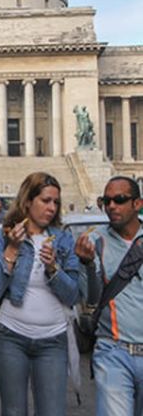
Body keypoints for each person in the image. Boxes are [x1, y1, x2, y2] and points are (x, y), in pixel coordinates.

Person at [0, 172, 80, 416]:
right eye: (45, 200)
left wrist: (53, 269)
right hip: (10, 336)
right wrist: (12, 249)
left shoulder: (64, 239)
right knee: (14, 411)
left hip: (53, 339)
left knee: (53, 411)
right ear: (28, 201)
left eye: (55, 202)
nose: (52, 208)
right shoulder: (4, 236)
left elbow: (73, 295)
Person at [75, 175, 143, 416]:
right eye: (107, 201)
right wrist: (86, 264)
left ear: (137, 204)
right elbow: (91, 298)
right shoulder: (95, 241)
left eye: (120, 200)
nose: (111, 206)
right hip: (113, 350)